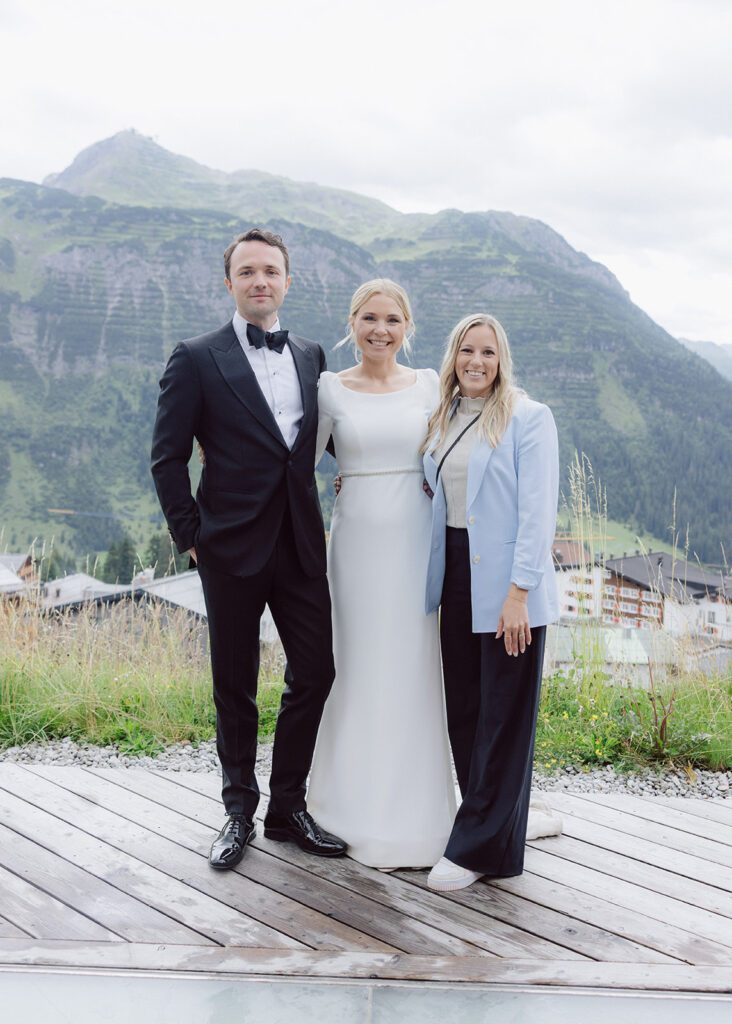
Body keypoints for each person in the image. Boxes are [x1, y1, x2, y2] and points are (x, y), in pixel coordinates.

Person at [151, 228, 346, 870]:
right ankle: (238, 810)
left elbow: (331, 440)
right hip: (227, 548)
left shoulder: (314, 356)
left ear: (288, 282)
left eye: (271, 271)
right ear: (229, 282)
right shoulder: (196, 357)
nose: (260, 280)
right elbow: (167, 458)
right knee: (233, 684)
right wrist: (193, 535)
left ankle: (286, 809)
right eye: (247, 271)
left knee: (315, 671)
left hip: (300, 543)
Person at [306, 279, 457, 869]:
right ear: (352, 322)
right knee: (357, 665)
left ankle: (419, 815)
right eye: (370, 318)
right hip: (356, 542)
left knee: (413, 668)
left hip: (417, 540)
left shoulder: (426, 384)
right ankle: (346, 808)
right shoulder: (328, 389)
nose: (381, 330)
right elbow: (298, 462)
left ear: (407, 326)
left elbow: (457, 447)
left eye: (392, 319)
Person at [421, 313, 559, 892]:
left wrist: (518, 594)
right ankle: (498, 826)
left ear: (502, 361)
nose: (477, 362)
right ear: (454, 356)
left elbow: (537, 513)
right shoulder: (445, 416)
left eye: (489, 353)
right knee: (468, 713)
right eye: (467, 351)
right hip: (456, 576)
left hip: (508, 588)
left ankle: (479, 848)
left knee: (503, 718)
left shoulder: (529, 419)